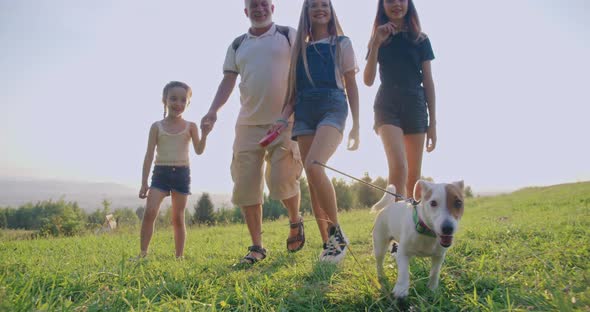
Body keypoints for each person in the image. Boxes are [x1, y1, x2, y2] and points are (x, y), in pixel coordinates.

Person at [200, 0, 304, 264]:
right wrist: (213, 111)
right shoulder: (237, 45)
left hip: (285, 121)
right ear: (246, 12)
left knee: (282, 179)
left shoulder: (288, 34)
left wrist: (293, 112)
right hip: (247, 124)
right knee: (246, 185)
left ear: (272, 7)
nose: (259, 9)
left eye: (263, 4)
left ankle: (295, 220)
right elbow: (228, 80)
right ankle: (257, 247)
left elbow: (303, 71)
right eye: (253, 6)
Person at [270, 0, 360, 263]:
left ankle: (337, 234)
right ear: (306, 13)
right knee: (312, 176)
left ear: (331, 11)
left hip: (333, 106)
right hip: (305, 111)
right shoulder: (300, 49)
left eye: (325, 5)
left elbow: (351, 86)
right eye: (313, 6)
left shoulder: (342, 43)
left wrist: (355, 124)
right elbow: (293, 94)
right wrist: (281, 119)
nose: (320, 9)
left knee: (315, 164)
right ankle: (329, 244)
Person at [363, 0, 436, 199]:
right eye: (390, 0)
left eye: (401, 0)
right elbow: (368, 80)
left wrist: (433, 124)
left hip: (416, 105)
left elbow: (429, 82)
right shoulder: (378, 38)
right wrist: (376, 43)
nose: (396, 4)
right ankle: (392, 226)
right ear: (382, 5)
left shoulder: (421, 40)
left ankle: (411, 227)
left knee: (413, 179)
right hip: (387, 106)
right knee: (398, 169)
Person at [138, 81, 207, 259]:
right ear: (165, 100)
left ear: (188, 103)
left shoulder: (190, 126)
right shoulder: (156, 126)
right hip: (160, 173)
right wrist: (144, 182)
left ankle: (179, 257)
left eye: (183, 100)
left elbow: (199, 150)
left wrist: (205, 133)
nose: (178, 103)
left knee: (178, 217)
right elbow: (148, 155)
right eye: (173, 99)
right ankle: (143, 253)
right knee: (150, 211)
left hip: (182, 174)